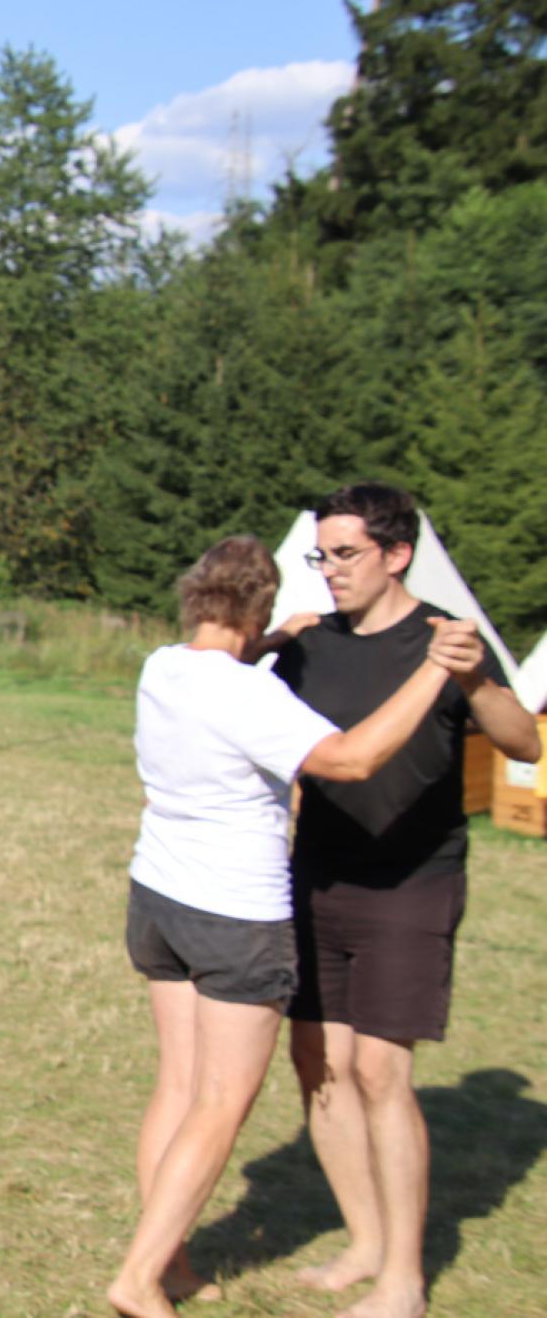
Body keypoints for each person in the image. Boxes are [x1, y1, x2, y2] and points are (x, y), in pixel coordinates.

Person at [107, 537, 486, 1318]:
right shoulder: (253, 697)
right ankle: (139, 1278)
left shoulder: (162, 667)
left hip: (158, 902)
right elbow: (351, 759)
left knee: (177, 1086)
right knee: (219, 1102)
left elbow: (225, 655)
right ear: (258, 608)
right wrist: (433, 670)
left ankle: (172, 1267)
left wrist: (277, 637)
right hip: (235, 919)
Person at [266, 484, 540, 1318]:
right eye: (321, 554)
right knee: (318, 1063)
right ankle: (364, 1244)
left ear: (397, 554)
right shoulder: (311, 642)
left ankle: (404, 1280)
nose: (329, 569)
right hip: (317, 874)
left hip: (413, 884)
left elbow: (525, 742)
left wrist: (477, 681)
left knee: (380, 1071)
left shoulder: (449, 640)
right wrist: (272, 637)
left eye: (345, 554)